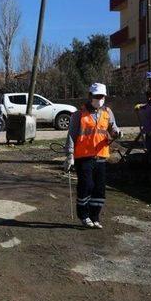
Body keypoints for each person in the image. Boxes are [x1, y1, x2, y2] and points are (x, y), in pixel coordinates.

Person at [64, 83, 122, 229]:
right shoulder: (79, 114)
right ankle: (84, 215)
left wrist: (117, 133)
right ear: (90, 96)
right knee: (86, 185)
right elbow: (71, 134)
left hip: (101, 156)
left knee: (99, 189)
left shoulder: (107, 112)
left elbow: (113, 128)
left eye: (101, 96)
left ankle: (95, 216)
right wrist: (69, 155)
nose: (99, 99)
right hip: (83, 157)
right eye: (96, 96)